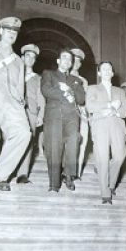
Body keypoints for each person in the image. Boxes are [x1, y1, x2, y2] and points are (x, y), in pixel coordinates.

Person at [0, 16, 30, 198]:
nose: (11, 33)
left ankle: (0, 173)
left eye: (15, 31)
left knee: (24, 133)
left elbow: (19, 88)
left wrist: (19, 106)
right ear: (1, 31)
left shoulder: (18, 61)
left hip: (11, 105)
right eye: (8, 30)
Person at [41, 49, 85, 192]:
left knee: (73, 142)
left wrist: (70, 90)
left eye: (70, 59)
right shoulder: (49, 74)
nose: (67, 61)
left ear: (72, 64)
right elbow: (46, 91)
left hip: (72, 117)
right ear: (58, 61)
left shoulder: (76, 80)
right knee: (54, 147)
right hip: (54, 116)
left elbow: (81, 99)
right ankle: (54, 184)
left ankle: (69, 175)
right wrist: (63, 91)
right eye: (64, 58)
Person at [85, 61, 126, 204]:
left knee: (120, 156)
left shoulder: (120, 91)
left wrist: (115, 111)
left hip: (117, 125)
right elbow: (90, 106)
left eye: (109, 69)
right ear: (99, 73)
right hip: (101, 126)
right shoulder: (92, 89)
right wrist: (109, 105)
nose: (106, 71)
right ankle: (105, 193)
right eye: (103, 69)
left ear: (112, 73)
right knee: (103, 158)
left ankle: (110, 184)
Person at [15, 44, 44, 184]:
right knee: (10, 139)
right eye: (28, 56)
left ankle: (22, 174)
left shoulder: (38, 78)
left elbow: (41, 98)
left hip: (31, 112)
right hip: (13, 111)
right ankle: (5, 171)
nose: (30, 59)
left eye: (33, 57)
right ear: (22, 57)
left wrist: (40, 115)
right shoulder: (14, 73)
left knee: (28, 142)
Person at [70, 48, 91, 179]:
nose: (76, 63)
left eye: (79, 61)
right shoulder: (63, 76)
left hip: (82, 113)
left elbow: (87, 99)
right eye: (74, 60)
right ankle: (67, 171)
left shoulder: (84, 81)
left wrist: (88, 115)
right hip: (68, 113)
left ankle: (77, 172)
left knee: (83, 140)